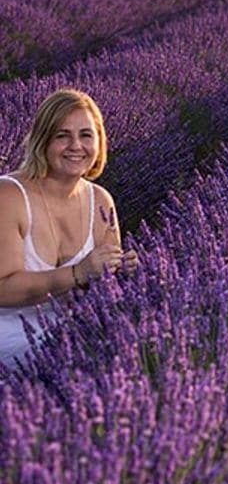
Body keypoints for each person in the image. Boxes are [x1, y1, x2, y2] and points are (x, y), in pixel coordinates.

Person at [0, 88, 137, 370]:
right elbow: (2, 289)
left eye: (86, 135)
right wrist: (79, 273)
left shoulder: (100, 201)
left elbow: (104, 290)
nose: (76, 145)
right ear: (42, 141)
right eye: (62, 135)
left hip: (71, 338)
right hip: (9, 340)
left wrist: (121, 271)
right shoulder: (9, 196)